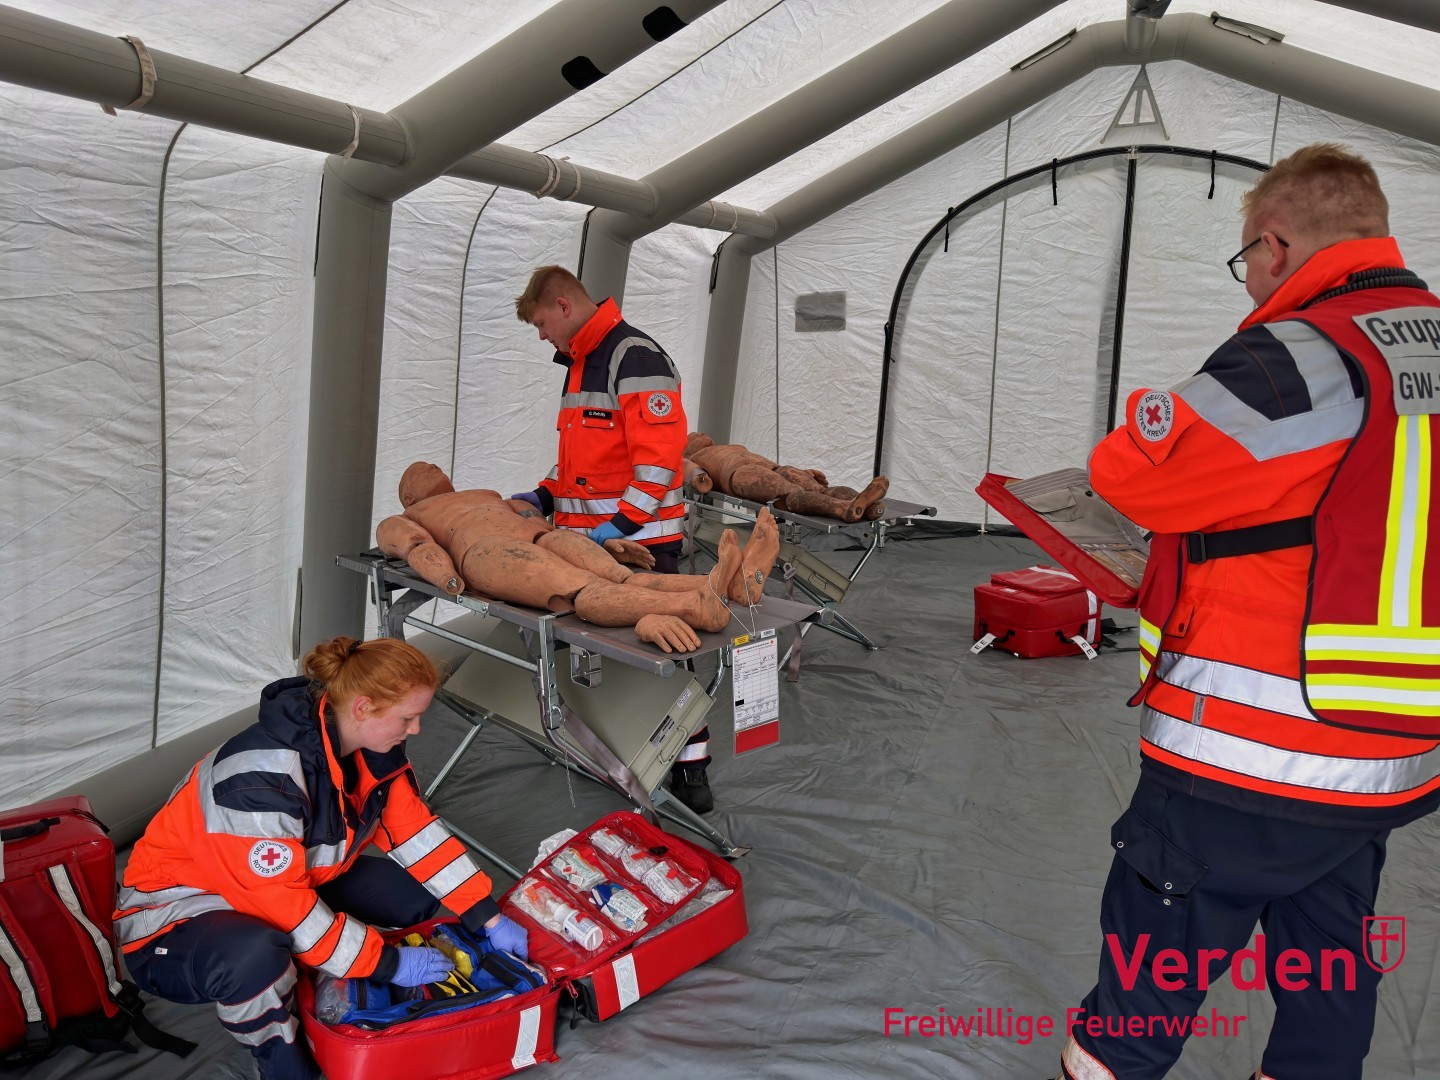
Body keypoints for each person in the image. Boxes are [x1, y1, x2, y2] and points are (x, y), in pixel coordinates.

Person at [1057, 143, 1440, 1080]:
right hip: (1387, 753)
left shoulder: (1300, 354)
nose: (1252, 283)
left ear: (1275, 245)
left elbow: (1134, 476)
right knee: (1328, 965)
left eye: (1248, 261)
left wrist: (1153, 410)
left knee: (1140, 998)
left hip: (1251, 751)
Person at [115, 636, 530, 1080]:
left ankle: (355, 977)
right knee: (255, 956)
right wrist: (385, 964)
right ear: (363, 707)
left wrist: (486, 916)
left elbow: (417, 835)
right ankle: (285, 1067)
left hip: (279, 885)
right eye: (407, 718)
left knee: (410, 896)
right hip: (174, 919)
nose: (415, 730)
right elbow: (281, 904)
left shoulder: (373, 750)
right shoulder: (259, 780)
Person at [511, 266, 712, 811]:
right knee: (605, 653)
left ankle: (692, 769)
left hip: (642, 546)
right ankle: (625, 753)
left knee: (668, 650)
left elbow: (659, 460)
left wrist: (620, 526)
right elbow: (583, 461)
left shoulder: (634, 356)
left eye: (542, 323)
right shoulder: (580, 364)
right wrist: (545, 495)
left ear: (563, 305)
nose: (541, 335)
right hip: (587, 548)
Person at [378, 461, 778, 655]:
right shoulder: (409, 515)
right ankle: (695, 606)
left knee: (621, 577)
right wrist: (446, 577)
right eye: (420, 470)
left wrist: (598, 544)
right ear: (409, 497)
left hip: (543, 534)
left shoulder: (484, 494)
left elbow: (530, 513)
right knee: (584, 590)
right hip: (486, 551)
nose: (430, 466)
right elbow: (415, 547)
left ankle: (731, 586)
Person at [686, 432, 890, 523]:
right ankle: (844, 508)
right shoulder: (691, 459)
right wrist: (698, 480)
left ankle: (861, 503)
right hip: (740, 473)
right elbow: (697, 478)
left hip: (774, 467)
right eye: (693, 436)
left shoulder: (725, 447)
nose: (700, 433)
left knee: (819, 489)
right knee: (790, 493)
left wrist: (805, 473)